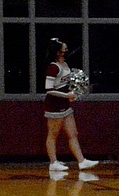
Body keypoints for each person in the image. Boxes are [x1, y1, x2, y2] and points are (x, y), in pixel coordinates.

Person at [44, 38, 98, 173]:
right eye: (64, 49)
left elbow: (65, 85)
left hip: (65, 105)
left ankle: (81, 161)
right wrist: (67, 95)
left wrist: (73, 93)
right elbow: (48, 90)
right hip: (54, 106)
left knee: (73, 133)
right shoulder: (53, 67)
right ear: (58, 52)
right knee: (53, 134)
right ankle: (53, 162)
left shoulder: (65, 65)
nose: (66, 51)